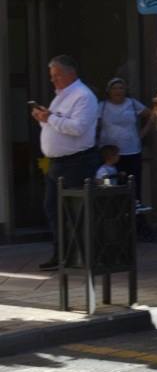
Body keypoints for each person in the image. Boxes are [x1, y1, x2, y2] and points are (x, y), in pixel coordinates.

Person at [32, 55, 100, 270]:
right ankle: (61, 254)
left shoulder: (83, 96)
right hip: (56, 163)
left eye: (57, 75)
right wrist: (45, 118)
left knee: (75, 210)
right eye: (52, 76)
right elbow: (56, 125)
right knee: (53, 209)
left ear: (71, 74)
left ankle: (82, 255)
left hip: (76, 162)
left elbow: (77, 128)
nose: (53, 80)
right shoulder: (61, 96)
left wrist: (49, 118)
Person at [97, 77, 152, 194]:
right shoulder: (102, 106)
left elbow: (151, 115)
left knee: (133, 185)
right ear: (109, 91)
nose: (118, 91)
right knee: (111, 186)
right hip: (109, 154)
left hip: (132, 151)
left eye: (121, 88)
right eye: (114, 88)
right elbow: (92, 124)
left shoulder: (132, 103)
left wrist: (143, 133)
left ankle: (135, 204)